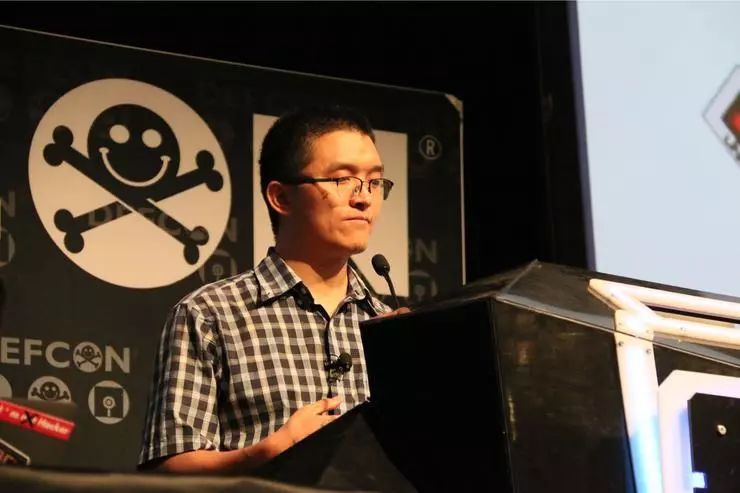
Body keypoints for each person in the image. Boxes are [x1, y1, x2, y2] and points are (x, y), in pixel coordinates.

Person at [138, 105, 405, 474]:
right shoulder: (211, 314)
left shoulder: (389, 327)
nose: (364, 198)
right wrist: (272, 450)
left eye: (374, 182)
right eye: (342, 180)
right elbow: (167, 470)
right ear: (281, 198)